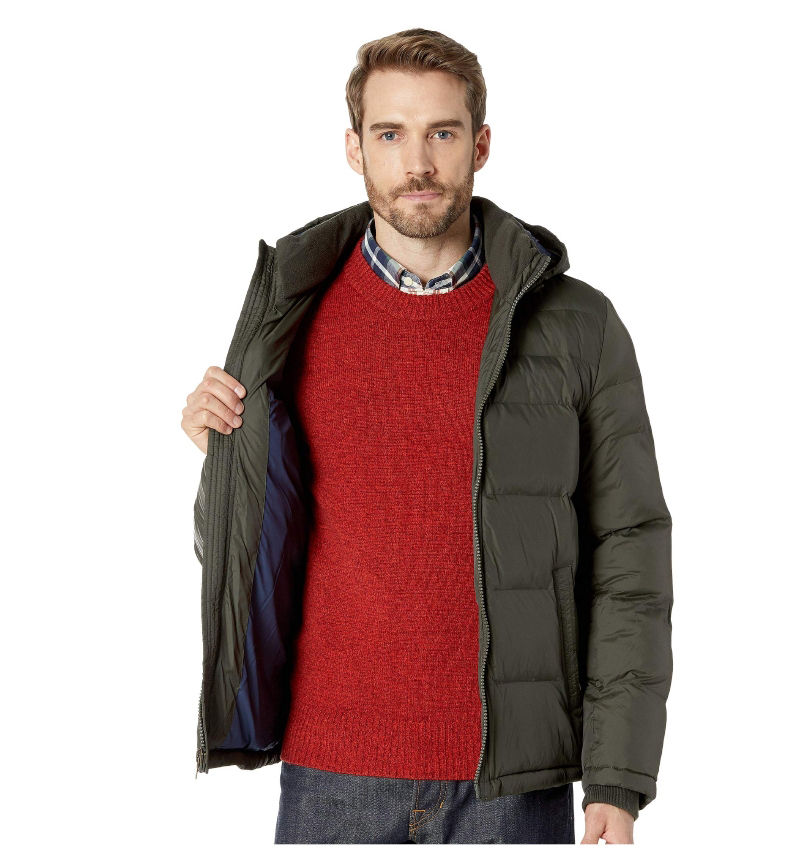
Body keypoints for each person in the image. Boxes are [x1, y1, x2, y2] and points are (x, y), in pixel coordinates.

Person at [180, 28, 673, 845]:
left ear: (481, 144)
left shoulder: (577, 325)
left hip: (512, 786)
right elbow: (236, 556)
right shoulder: (289, 315)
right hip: (333, 777)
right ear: (354, 149)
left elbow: (631, 553)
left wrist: (616, 776)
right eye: (390, 134)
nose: (417, 162)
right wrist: (228, 466)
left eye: (442, 132)